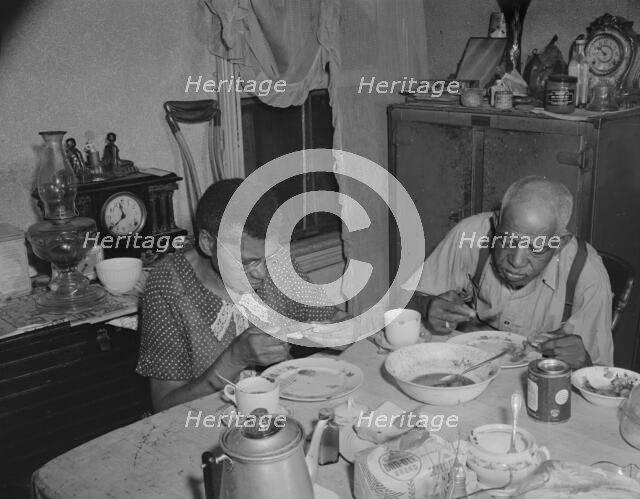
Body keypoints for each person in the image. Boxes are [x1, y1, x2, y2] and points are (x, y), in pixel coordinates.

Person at [137, 179, 352, 411]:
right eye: (248, 262)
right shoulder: (168, 287)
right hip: (206, 425)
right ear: (208, 243)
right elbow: (164, 406)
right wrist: (235, 359)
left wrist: (338, 331)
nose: (263, 273)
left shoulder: (276, 264)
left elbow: (338, 320)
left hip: (280, 412)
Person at [404, 176, 613, 368]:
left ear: (559, 243)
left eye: (536, 248)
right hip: (467, 365)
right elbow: (405, 301)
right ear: (496, 224)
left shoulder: (587, 275)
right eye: (507, 240)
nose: (516, 261)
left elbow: (601, 376)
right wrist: (426, 306)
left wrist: (584, 363)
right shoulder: (468, 236)